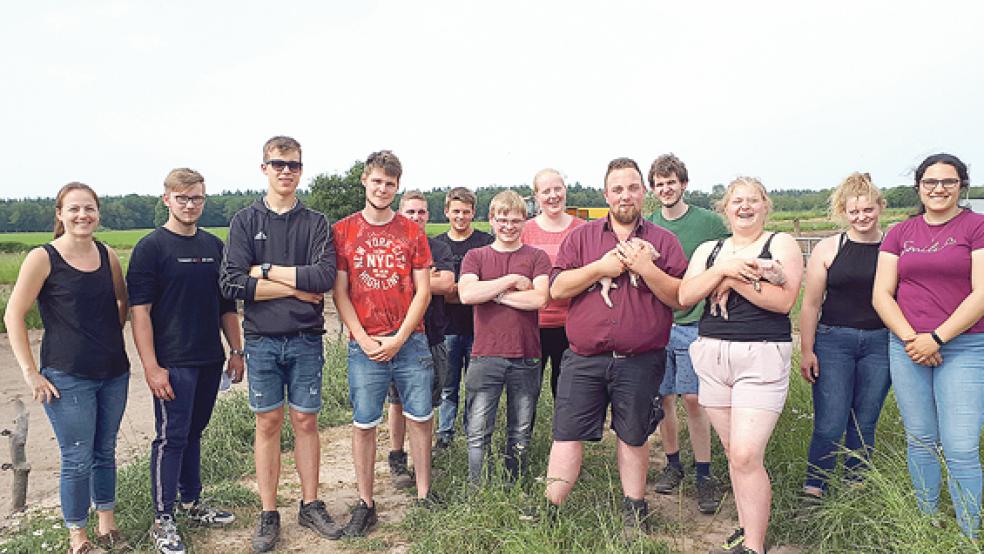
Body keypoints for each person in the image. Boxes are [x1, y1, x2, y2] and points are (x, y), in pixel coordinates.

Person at [544, 158, 687, 538]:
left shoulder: (663, 241)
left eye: (633, 187)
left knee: (634, 434)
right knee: (567, 434)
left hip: (640, 360)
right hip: (584, 358)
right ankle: (551, 510)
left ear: (644, 192)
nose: (626, 195)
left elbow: (680, 298)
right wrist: (600, 269)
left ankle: (634, 509)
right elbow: (556, 289)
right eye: (618, 189)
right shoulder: (581, 238)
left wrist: (646, 267)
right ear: (606, 195)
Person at [219, 136, 338, 553]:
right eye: (278, 164)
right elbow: (233, 282)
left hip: (306, 339)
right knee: (268, 423)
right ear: (263, 168)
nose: (286, 171)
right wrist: (295, 289)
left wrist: (265, 271)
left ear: (301, 170)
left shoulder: (316, 222)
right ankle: (269, 513)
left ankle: (310, 504)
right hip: (262, 341)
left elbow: (323, 278)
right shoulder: (244, 222)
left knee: (306, 422)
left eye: (293, 164)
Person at [679, 177, 803, 554]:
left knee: (747, 454)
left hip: (762, 354)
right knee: (735, 452)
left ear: (765, 206)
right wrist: (725, 269)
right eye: (737, 201)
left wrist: (731, 278)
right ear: (725, 209)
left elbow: (783, 301)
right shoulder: (709, 249)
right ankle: (749, 528)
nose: (744, 207)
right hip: (713, 354)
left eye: (753, 200)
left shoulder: (780, 243)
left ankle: (754, 546)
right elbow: (686, 295)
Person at [4, 182, 130, 554]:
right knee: (77, 456)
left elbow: (121, 300)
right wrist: (31, 371)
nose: (82, 215)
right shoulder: (43, 258)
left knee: (105, 450)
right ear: (60, 214)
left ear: (98, 213)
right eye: (73, 209)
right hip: (66, 376)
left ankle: (107, 524)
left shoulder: (107, 255)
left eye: (89, 208)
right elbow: (14, 315)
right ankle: (79, 536)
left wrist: (106, 334)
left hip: (114, 372)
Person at [128, 168, 245, 554]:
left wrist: (236, 350)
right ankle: (162, 519)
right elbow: (139, 312)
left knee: (194, 433)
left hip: (209, 358)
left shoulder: (214, 246)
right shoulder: (151, 248)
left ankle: (192, 503)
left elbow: (227, 306)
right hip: (171, 362)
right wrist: (151, 366)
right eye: (182, 198)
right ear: (167, 200)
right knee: (170, 438)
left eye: (196, 198)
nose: (190, 205)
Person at [872, 153, 984, 539]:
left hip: (966, 347)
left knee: (961, 444)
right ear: (919, 187)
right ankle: (926, 520)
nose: (939, 189)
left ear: (961, 186)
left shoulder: (977, 226)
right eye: (930, 182)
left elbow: (981, 294)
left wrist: (936, 338)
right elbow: (882, 295)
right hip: (906, 347)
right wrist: (911, 339)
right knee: (920, 438)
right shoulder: (900, 233)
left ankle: (970, 531)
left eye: (948, 182)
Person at [332, 150, 436, 538]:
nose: (382, 188)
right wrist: (363, 337)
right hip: (366, 344)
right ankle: (366, 503)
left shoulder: (412, 231)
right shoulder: (343, 231)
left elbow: (423, 291)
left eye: (390, 184)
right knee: (364, 423)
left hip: (410, 341)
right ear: (365, 181)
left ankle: (424, 494)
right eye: (377, 181)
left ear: (397, 186)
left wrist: (399, 338)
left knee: (421, 418)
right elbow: (340, 292)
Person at [798, 173, 890, 504]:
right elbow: (810, 304)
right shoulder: (828, 248)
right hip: (834, 341)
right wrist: (807, 350)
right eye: (854, 212)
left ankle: (856, 485)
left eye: (868, 210)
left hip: (880, 343)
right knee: (830, 420)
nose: (862, 217)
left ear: (880, 206)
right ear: (843, 211)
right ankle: (815, 485)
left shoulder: (893, 248)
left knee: (865, 419)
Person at [647, 153, 729, 514]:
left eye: (671, 182)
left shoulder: (708, 222)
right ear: (653, 189)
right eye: (659, 183)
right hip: (656, 325)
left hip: (695, 323)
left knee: (695, 400)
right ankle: (673, 464)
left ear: (683, 184)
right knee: (664, 400)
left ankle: (704, 473)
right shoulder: (647, 224)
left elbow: (730, 255)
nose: (666, 188)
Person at [458, 190, 550, 484]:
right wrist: (510, 283)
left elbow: (538, 300)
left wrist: (494, 295)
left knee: (520, 429)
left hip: (526, 356)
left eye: (515, 220)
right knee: (477, 430)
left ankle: (514, 484)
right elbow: (468, 293)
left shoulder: (537, 257)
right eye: (502, 220)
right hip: (486, 355)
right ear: (491, 220)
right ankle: (478, 489)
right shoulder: (476, 256)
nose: (508, 226)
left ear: (525, 221)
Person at [386, 191, 455, 489]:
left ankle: (421, 463)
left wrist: (411, 280)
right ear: (401, 213)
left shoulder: (438, 247)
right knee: (398, 402)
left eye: (422, 212)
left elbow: (447, 284)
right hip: (397, 336)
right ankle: (397, 458)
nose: (416, 217)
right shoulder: (390, 246)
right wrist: (424, 279)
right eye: (411, 212)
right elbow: (388, 286)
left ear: (429, 215)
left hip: (433, 336)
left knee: (426, 404)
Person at [433, 187, 494, 450]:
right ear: (447, 212)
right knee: (448, 385)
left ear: (473, 213)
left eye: (466, 212)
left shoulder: (485, 242)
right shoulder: (437, 244)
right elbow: (438, 287)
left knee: (475, 383)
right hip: (445, 325)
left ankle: (473, 432)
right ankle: (444, 433)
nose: (460, 216)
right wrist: (466, 291)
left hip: (480, 325)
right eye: (456, 211)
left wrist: (457, 290)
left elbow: (490, 283)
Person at [519, 169, 585, 398]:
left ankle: (565, 433)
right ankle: (522, 434)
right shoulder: (525, 231)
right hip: (532, 322)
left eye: (558, 189)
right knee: (527, 389)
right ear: (536, 196)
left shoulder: (582, 229)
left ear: (565, 190)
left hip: (572, 323)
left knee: (566, 388)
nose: (553, 195)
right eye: (546, 191)